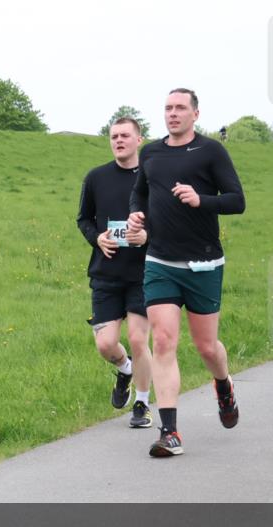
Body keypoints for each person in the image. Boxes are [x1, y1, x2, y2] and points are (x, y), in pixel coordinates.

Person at [128, 88, 245, 457]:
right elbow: (140, 194)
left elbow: (237, 200)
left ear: (195, 114)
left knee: (207, 347)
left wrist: (201, 200)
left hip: (203, 263)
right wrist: (136, 214)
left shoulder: (211, 151)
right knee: (162, 341)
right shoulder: (151, 152)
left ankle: (223, 384)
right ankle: (171, 432)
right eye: (168, 108)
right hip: (160, 261)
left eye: (180, 108)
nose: (173, 114)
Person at [76, 117, 154, 427]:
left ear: (139, 140)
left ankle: (142, 404)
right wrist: (97, 237)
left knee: (138, 339)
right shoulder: (96, 178)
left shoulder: (152, 180)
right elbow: (83, 219)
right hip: (106, 273)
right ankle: (124, 370)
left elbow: (167, 221)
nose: (118, 140)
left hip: (143, 273)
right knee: (106, 344)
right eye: (113, 136)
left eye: (125, 135)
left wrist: (146, 237)